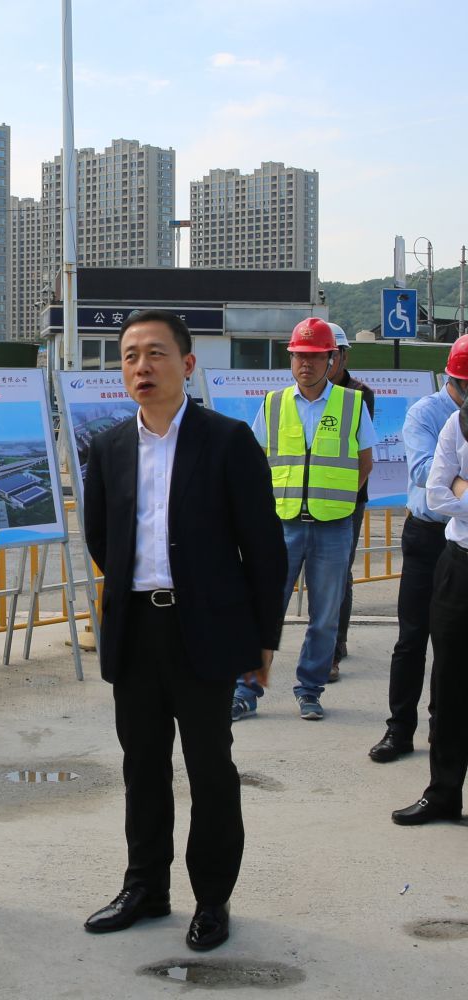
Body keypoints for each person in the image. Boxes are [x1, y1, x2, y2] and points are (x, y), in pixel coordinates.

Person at [83, 310, 285, 952]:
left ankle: (212, 899)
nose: (141, 367)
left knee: (210, 768)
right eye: (130, 356)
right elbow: (101, 536)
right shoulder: (109, 447)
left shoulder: (226, 441)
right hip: (135, 627)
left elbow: (264, 546)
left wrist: (263, 639)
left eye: (156, 353)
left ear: (188, 364)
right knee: (142, 766)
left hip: (205, 630)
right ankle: (146, 887)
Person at [233, 317, 377, 722]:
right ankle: (245, 691)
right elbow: (256, 461)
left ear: (332, 359)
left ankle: (310, 690)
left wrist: (338, 499)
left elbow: (365, 462)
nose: (306, 364)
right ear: (291, 359)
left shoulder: (351, 404)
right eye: (299, 356)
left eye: (314, 356)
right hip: (282, 525)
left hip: (334, 525)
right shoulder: (273, 403)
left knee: (325, 616)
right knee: (265, 609)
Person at [369, 335, 468, 763]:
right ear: (452, 380)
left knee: (453, 645)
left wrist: (455, 480)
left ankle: (442, 731)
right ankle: (399, 729)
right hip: (429, 536)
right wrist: (453, 481)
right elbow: (427, 472)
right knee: (413, 637)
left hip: (463, 543)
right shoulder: (426, 413)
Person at [391, 369, 468, 825]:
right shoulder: (454, 422)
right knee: (449, 680)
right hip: (457, 560)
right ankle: (443, 793)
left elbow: (450, 488)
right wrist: (454, 486)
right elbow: (435, 490)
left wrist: (463, 486)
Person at [325, 323, 375, 682]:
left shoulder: (359, 394)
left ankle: (335, 643)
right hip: (303, 501)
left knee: (339, 573)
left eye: (330, 355)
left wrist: (345, 498)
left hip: (347, 500)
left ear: (343, 356)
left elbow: (362, 456)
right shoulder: (296, 396)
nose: (324, 362)